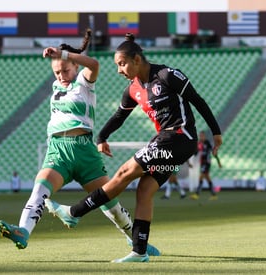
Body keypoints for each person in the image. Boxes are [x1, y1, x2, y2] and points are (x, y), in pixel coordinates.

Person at [46, 33, 222, 263]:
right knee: (145, 189)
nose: (119, 70)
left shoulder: (168, 75)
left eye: (122, 64)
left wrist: (216, 133)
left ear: (137, 59)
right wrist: (102, 137)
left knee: (124, 173)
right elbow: (119, 116)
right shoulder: (133, 89)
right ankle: (140, 251)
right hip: (168, 142)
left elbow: (198, 100)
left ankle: (74, 213)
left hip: (179, 138)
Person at [0, 29, 160, 256]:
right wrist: (58, 57)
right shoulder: (56, 87)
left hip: (83, 151)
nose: (61, 75)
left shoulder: (83, 82)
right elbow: (60, 72)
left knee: (110, 203)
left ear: (74, 66)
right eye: (56, 72)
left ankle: (137, 243)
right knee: (39, 191)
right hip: (58, 150)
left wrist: (64, 55)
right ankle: (23, 231)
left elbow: (93, 64)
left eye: (65, 70)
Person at [190, 131, 222, 200]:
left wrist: (218, 161)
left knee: (201, 176)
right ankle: (214, 195)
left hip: (207, 162)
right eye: (200, 136)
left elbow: (214, 152)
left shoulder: (207, 143)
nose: (201, 137)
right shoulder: (199, 143)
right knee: (207, 178)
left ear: (204, 136)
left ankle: (197, 194)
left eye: (202, 136)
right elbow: (196, 153)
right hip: (202, 162)